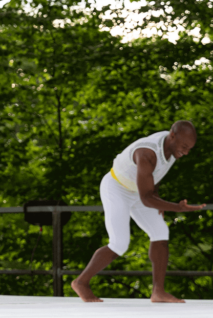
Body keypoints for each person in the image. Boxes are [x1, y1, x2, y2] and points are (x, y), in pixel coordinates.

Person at [71, 122, 205, 303]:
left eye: (190, 148)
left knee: (160, 232)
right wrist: (176, 207)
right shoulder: (147, 153)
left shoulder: (173, 148)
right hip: (117, 187)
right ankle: (81, 282)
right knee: (119, 243)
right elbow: (146, 198)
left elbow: (154, 176)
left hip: (140, 191)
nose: (187, 152)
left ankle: (158, 292)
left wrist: (158, 200)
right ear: (172, 136)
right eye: (184, 147)